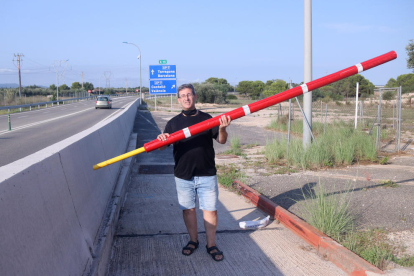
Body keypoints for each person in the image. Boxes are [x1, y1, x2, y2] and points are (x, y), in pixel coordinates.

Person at [157, 83, 231, 262]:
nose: (186, 98)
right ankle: (193, 241)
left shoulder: (207, 119)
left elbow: (221, 141)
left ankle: (211, 244)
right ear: (179, 99)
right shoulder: (173, 123)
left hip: (206, 173)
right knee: (188, 210)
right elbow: (162, 146)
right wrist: (161, 139)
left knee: (210, 211)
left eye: (189, 94)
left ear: (195, 97)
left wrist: (222, 128)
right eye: (183, 95)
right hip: (183, 175)